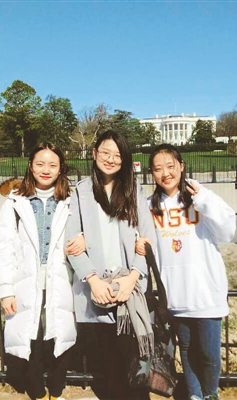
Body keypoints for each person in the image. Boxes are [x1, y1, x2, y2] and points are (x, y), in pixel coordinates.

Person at [136, 144, 236, 400]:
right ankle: (194, 395)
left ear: (181, 166)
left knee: (209, 354)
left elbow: (228, 231)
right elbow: (140, 240)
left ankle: (210, 394)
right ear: (152, 173)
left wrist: (203, 199)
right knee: (187, 351)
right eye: (158, 169)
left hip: (206, 294)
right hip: (175, 296)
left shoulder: (199, 197)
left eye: (170, 166)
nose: (165, 173)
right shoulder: (149, 206)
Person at [64, 129, 157, 400]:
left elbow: (146, 239)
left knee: (134, 370)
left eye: (117, 155)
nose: (111, 159)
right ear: (94, 154)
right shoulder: (81, 192)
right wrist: (93, 281)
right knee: (105, 370)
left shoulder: (133, 190)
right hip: (96, 291)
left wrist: (133, 279)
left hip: (129, 290)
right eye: (105, 152)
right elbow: (72, 244)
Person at [0, 143, 85, 400]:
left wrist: (84, 238)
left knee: (61, 336)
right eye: (40, 164)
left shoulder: (71, 201)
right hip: (26, 280)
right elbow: (3, 248)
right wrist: (5, 289)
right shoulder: (15, 202)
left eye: (52, 164)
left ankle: (56, 390)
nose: (46, 170)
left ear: (60, 168)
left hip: (62, 279)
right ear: (31, 166)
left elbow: (85, 231)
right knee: (30, 337)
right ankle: (37, 393)